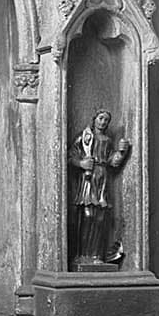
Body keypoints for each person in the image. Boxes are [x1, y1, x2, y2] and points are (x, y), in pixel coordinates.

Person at [68, 108, 130, 267]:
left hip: (102, 179)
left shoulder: (107, 140)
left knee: (100, 218)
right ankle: (82, 255)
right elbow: (71, 156)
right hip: (88, 179)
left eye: (106, 120)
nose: (103, 122)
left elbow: (113, 162)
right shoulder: (85, 137)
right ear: (94, 118)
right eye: (101, 118)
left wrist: (121, 152)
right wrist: (81, 163)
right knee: (87, 215)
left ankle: (96, 256)